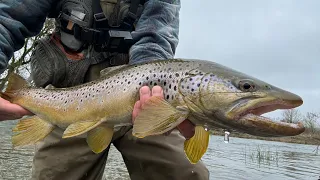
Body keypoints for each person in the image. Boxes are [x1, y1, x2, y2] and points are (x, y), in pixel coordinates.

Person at [0, 0, 210, 179]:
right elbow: (7, 19)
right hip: (69, 103)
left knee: (187, 174)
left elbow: (156, 38)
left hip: (143, 99)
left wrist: (150, 92)